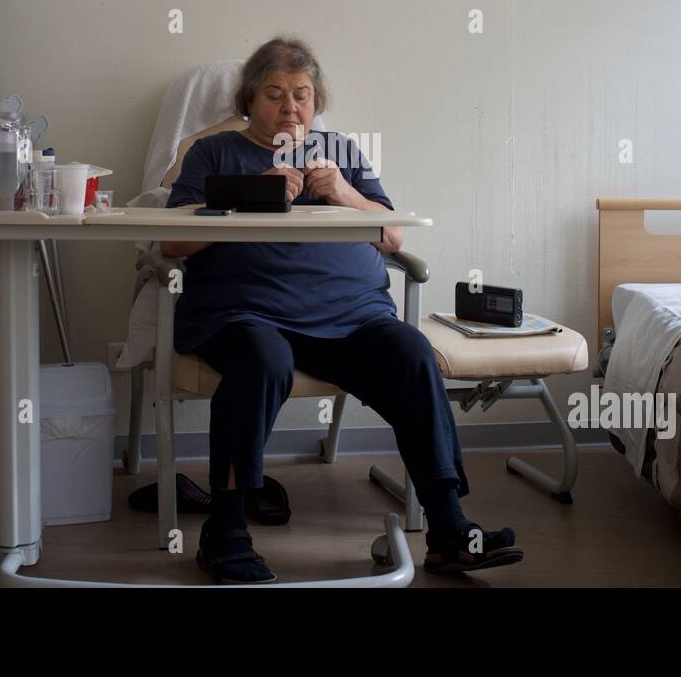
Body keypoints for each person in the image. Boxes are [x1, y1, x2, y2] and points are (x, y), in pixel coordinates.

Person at [160, 36, 523, 584]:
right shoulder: (212, 153)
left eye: (302, 95)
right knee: (261, 359)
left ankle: (450, 531)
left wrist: (346, 194)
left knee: (410, 351)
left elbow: (393, 233)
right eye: (274, 94)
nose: (289, 107)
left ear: (317, 100)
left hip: (350, 317)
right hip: (247, 313)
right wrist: (251, 194)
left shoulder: (342, 153)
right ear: (248, 101)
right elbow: (171, 243)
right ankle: (225, 531)